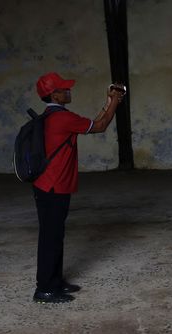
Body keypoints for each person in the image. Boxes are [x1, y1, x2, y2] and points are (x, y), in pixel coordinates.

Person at [32, 72, 125, 303]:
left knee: (55, 235)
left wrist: (109, 101)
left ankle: (55, 282)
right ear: (54, 94)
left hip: (47, 185)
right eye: (64, 89)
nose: (68, 91)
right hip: (53, 186)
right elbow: (101, 126)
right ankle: (44, 289)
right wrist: (114, 101)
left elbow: (94, 121)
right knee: (50, 238)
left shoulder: (51, 116)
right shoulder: (62, 119)